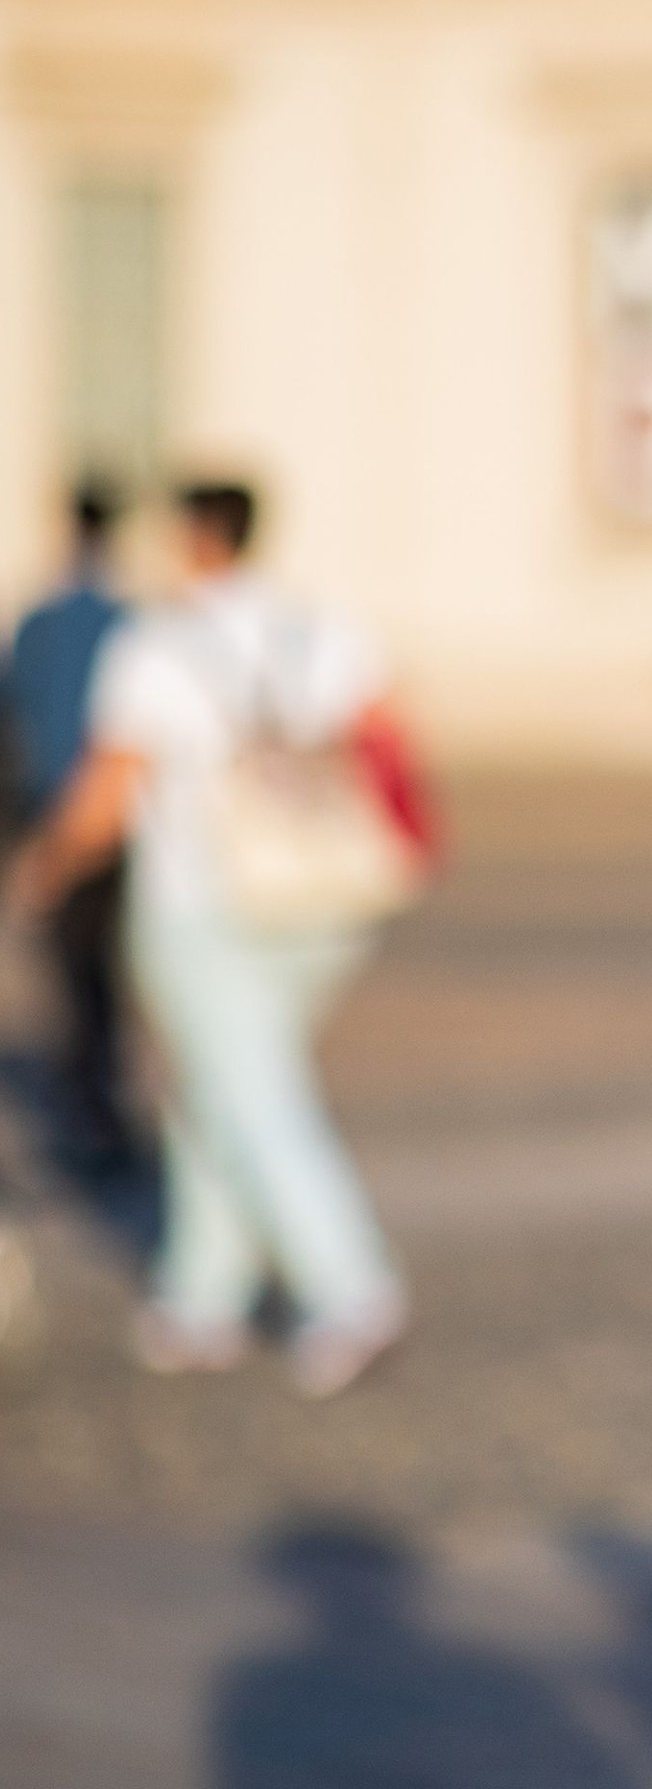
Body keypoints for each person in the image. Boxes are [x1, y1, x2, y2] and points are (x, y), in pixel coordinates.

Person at [4, 480, 414, 1396]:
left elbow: (110, 789)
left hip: (205, 906)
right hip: (326, 903)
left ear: (192, 539)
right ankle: (203, 1297)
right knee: (211, 1090)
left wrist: (45, 863)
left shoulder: (153, 646)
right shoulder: (324, 629)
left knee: (254, 1095)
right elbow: (386, 739)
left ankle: (354, 1290)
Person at [6, 478, 140, 1187]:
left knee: (73, 976)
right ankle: (101, 1103)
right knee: (105, 976)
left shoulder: (43, 621)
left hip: (64, 815)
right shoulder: (133, 618)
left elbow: (12, 722)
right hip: (123, 827)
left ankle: (91, 1108)